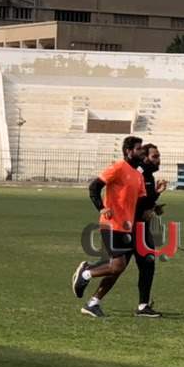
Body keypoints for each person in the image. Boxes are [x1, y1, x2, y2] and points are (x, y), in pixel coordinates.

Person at [72, 136, 145, 318]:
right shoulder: (119, 167)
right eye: (138, 148)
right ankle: (86, 273)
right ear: (128, 151)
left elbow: (140, 204)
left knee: (117, 268)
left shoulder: (138, 176)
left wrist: (155, 200)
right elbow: (94, 187)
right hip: (111, 224)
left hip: (126, 228)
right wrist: (102, 208)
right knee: (117, 265)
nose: (141, 151)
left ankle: (93, 304)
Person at [133, 143, 168, 317]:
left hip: (140, 226)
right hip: (133, 227)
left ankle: (143, 305)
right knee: (117, 267)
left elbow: (145, 199)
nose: (158, 159)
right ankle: (88, 273)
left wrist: (154, 206)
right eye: (155, 156)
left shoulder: (147, 174)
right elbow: (133, 199)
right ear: (145, 157)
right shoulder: (139, 173)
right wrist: (149, 206)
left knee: (145, 265)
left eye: (158, 156)